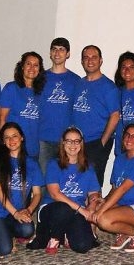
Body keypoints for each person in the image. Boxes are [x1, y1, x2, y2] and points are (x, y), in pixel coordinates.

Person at [29, 127, 101, 254]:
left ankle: (65, 234)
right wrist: (82, 210)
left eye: (76, 141)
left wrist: (92, 205)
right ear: (63, 143)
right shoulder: (53, 164)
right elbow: (55, 194)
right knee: (64, 208)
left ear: (81, 144)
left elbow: (94, 193)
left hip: (76, 211)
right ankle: (54, 237)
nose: (73, 144)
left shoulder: (88, 166)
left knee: (83, 246)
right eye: (69, 141)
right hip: (52, 209)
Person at [0, 123, 42, 256]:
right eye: (7, 137)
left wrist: (28, 210)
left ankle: (6, 232)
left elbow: (37, 193)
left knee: (27, 230)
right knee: (4, 249)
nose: (11, 140)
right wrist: (16, 214)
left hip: (16, 213)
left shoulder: (32, 163)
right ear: (3, 142)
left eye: (15, 136)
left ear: (22, 138)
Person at [93, 123, 134, 253]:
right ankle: (125, 232)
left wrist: (102, 210)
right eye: (127, 135)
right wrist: (104, 200)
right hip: (123, 205)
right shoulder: (119, 159)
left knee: (103, 219)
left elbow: (123, 189)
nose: (129, 139)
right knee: (96, 207)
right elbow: (115, 187)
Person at [71, 45, 120, 186]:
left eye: (94, 57)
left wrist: (102, 142)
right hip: (78, 143)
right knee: (76, 183)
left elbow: (115, 115)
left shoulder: (108, 87)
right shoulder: (79, 84)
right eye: (86, 58)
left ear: (101, 61)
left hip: (96, 142)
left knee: (93, 185)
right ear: (82, 62)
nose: (90, 61)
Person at [38, 37, 81, 174]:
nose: (57, 53)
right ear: (50, 53)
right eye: (54, 49)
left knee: (65, 181)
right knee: (44, 181)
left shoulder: (75, 80)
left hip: (67, 141)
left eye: (61, 49)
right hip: (43, 138)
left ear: (67, 54)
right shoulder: (40, 77)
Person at [0, 52, 46, 160]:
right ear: (22, 67)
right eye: (28, 64)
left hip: (33, 148)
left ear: (39, 69)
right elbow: (2, 119)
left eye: (36, 65)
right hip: (13, 147)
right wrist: (3, 143)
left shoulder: (41, 92)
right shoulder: (11, 88)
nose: (32, 68)